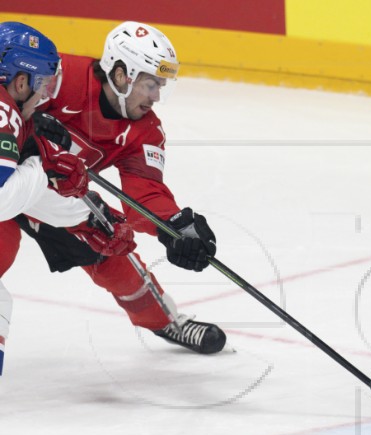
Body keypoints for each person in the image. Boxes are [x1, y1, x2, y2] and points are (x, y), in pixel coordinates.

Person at [2, 21, 225, 355]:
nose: (157, 96)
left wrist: (175, 227)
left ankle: (166, 320)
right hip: (11, 178)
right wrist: (32, 130)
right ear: (121, 75)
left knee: (114, 259)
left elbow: (145, 191)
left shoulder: (146, 132)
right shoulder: (61, 76)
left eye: (161, 86)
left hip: (60, 194)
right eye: (150, 84)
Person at [0, 21, 135, 435]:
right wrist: (40, 166)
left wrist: (86, 213)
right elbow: (3, 198)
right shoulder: (4, 111)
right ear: (19, 81)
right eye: (39, 85)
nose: (43, 96)